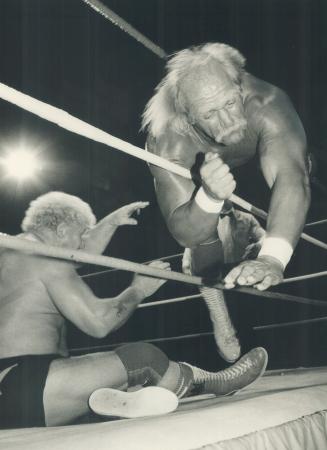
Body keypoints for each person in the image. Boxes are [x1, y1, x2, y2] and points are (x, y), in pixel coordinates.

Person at [0, 191, 267, 428]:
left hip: (14, 385)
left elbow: (77, 256)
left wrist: (110, 222)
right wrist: (139, 289)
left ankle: (107, 406)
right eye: (82, 235)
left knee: (112, 378)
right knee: (142, 358)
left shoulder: (16, 251)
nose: (84, 244)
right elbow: (98, 323)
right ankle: (217, 382)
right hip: (24, 388)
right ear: (61, 231)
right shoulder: (47, 260)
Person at [142, 42, 311, 362]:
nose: (228, 121)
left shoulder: (266, 101)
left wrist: (273, 259)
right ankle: (216, 303)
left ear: (239, 87)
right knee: (204, 236)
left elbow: (291, 178)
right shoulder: (166, 137)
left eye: (231, 103)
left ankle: (256, 246)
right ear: (188, 116)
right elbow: (185, 232)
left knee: (299, 165)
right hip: (199, 170)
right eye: (209, 114)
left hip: (262, 150)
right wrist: (209, 196)